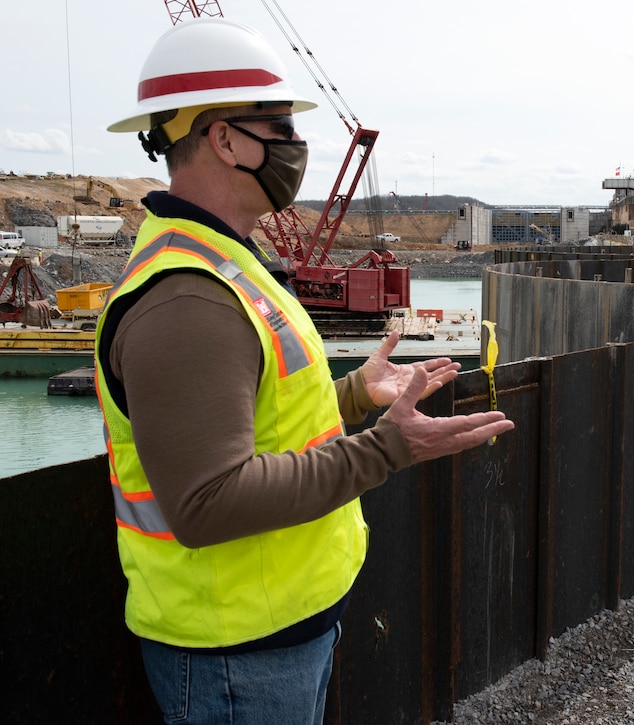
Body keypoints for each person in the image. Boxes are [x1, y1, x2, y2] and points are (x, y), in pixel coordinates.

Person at [95, 18, 514, 723]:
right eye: (280, 125)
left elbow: (254, 414)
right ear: (224, 138)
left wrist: (350, 396)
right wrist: (389, 447)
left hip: (273, 633)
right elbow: (208, 501)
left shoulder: (231, 262)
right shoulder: (186, 297)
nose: (296, 145)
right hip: (235, 653)